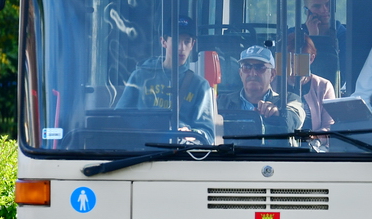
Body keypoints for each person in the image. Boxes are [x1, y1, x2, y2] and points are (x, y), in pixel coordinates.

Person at [116, 15, 215, 145]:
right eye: (176, 41)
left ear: (193, 44)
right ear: (163, 42)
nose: (181, 48)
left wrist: (191, 133)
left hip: (180, 156)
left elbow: (208, 136)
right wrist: (147, 126)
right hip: (139, 151)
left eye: (187, 41)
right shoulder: (140, 76)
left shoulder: (200, 86)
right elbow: (119, 117)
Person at [218, 45, 306, 140]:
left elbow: (295, 119)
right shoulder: (222, 102)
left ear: (272, 74)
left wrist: (278, 113)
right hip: (231, 154)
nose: (253, 73)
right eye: (247, 67)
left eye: (260, 67)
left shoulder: (289, 99)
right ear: (240, 73)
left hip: (273, 154)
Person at [293, 0, 347, 84]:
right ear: (306, 10)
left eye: (328, 4)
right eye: (317, 6)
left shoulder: (345, 36)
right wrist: (313, 37)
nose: (324, 10)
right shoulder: (294, 35)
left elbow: (343, 76)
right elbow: (297, 73)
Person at [286, 36, 335, 132]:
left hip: (313, 143)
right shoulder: (272, 83)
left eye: (298, 61)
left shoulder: (323, 86)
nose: (293, 67)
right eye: (290, 61)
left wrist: (313, 138)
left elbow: (330, 126)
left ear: (311, 59)